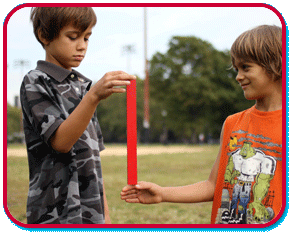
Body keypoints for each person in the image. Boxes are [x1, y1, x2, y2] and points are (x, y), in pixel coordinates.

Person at [121, 25, 282, 224]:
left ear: (275, 65)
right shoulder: (233, 123)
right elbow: (213, 185)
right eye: (237, 69)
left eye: (246, 67)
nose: (238, 76)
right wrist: (162, 193)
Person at [20, 7, 136, 224]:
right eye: (72, 37)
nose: (82, 45)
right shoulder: (35, 81)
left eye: (86, 38)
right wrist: (92, 98)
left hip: (90, 215)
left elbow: (94, 161)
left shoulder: (83, 87)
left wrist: (105, 217)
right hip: (54, 215)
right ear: (44, 36)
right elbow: (61, 142)